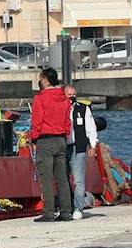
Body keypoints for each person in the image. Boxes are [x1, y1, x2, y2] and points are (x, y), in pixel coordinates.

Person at [28, 67, 73, 221]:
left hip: (45, 139)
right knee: (62, 178)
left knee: (46, 178)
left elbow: (37, 122)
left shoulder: (40, 98)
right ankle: (66, 211)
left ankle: (48, 212)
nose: (40, 81)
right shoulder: (65, 98)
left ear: (46, 79)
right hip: (61, 139)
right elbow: (68, 122)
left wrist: (33, 138)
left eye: (41, 78)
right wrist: (65, 135)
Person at [66, 85, 100, 219]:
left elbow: (91, 128)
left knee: (78, 180)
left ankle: (78, 208)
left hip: (78, 147)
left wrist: (93, 145)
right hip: (63, 147)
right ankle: (66, 206)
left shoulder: (83, 109)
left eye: (74, 94)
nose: (72, 97)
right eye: (69, 94)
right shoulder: (59, 109)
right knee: (64, 179)